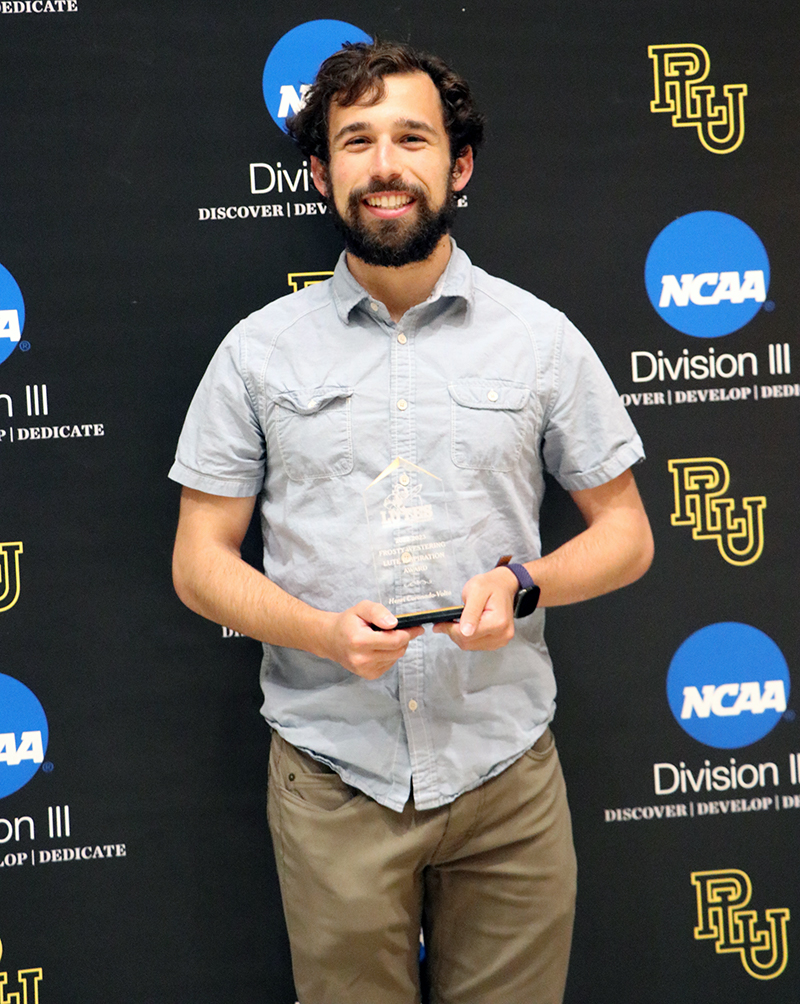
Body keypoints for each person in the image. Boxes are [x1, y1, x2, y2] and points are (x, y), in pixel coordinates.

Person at [170, 40, 653, 1004]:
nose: (385, 164)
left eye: (411, 137)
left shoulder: (541, 338)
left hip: (506, 778)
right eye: (357, 141)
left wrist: (527, 583)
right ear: (322, 173)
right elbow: (198, 561)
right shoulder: (256, 354)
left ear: (457, 165)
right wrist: (320, 634)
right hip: (332, 778)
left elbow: (628, 533)